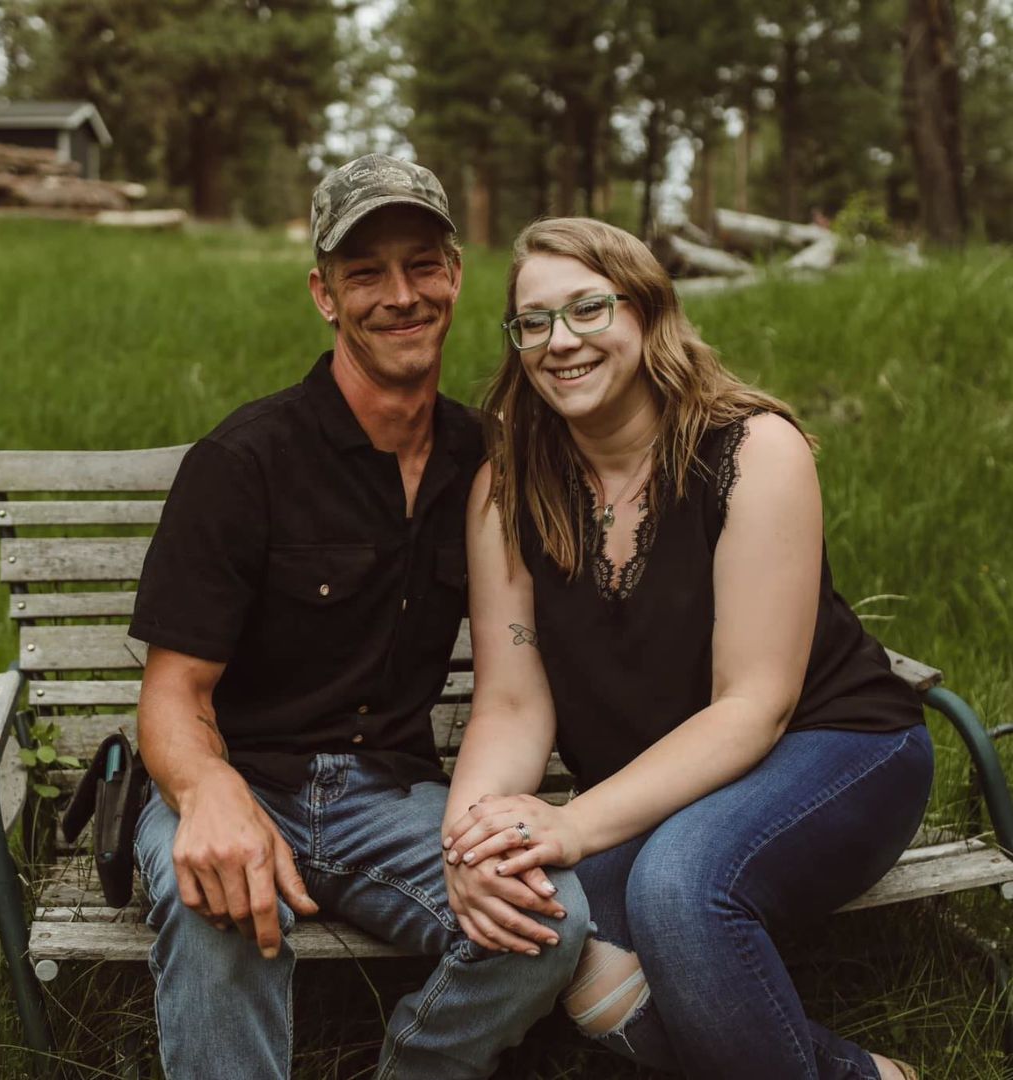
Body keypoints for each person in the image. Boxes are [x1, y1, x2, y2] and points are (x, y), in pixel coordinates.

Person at [128, 157, 589, 1080]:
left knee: (551, 918)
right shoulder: (244, 462)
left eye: (422, 265)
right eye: (366, 274)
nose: (401, 296)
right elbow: (173, 694)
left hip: (394, 795)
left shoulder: (489, 458)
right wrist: (208, 795)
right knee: (216, 896)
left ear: (455, 274)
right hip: (242, 778)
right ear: (324, 295)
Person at [440, 217, 932, 1080]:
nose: (561, 342)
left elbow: (754, 705)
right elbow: (512, 703)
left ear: (647, 313)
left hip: (837, 747)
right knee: (549, 922)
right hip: (670, 782)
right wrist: (471, 844)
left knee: (677, 890)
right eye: (534, 321)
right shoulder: (508, 486)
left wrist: (572, 822)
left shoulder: (752, 450)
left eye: (589, 309)